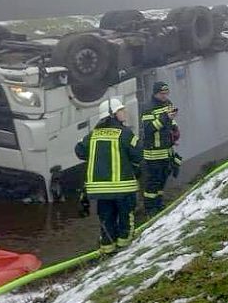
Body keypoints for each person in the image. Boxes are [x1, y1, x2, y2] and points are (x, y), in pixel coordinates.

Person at [75, 98, 142, 255]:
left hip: (101, 191)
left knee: (106, 220)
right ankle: (125, 251)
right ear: (112, 114)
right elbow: (138, 154)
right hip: (123, 189)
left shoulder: (93, 135)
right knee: (126, 219)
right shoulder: (125, 133)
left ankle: (107, 252)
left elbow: (79, 151)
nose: (124, 112)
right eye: (121, 110)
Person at [140, 81, 179, 217]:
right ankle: (150, 209)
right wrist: (165, 118)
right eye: (162, 94)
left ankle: (159, 204)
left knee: (163, 178)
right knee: (153, 181)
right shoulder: (147, 108)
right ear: (155, 93)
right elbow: (149, 128)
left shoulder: (168, 103)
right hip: (153, 153)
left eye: (166, 93)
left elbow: (171, 121)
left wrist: (174, 131)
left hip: (166, 150)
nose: (165, 96)